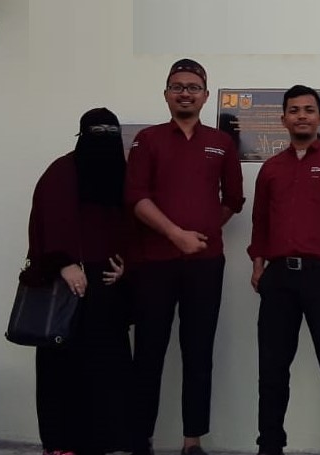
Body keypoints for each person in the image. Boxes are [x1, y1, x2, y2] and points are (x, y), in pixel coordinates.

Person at [125, 58, 245, 455]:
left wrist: (204, 230)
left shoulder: (221, 142)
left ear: (206, 96)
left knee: (198, 351)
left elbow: (233, 199)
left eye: (193, 87)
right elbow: (136, 197)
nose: (185, 93)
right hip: (154, 263)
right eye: (177, 86)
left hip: (205, 265)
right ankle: (140, 438)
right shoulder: (148, 139)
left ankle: (192, 441)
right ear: (166, 94)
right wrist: (176, 234)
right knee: (148, 351)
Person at [248, 85, 320, 455]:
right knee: (271, 370)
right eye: (294, 110)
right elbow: (260, 222)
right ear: (283, 118)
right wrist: (258, 265)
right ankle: (270, 445)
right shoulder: (270, 169)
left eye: (309, 110)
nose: (302, 116)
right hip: (278, 278)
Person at [23, 107, 132, 455]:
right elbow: (48, 219)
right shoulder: (61, 172)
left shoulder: (122, 173)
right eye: (97, 134)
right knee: (61, 366)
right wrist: (64, 263)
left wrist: (127, 265)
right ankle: (59, 444)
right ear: (82, 136)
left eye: (111, 134)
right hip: (67, 285)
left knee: (106, 367)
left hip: (108, 287)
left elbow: (133, 225)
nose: (104, 142)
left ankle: (101, 443)